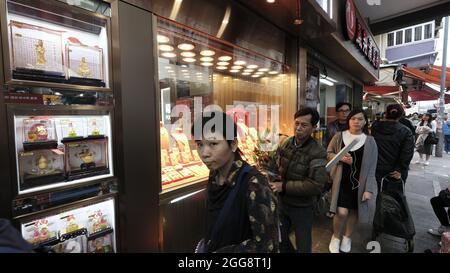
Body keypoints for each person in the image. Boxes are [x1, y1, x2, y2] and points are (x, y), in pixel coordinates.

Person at [192, 111, 279, 253]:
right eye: (199, 144)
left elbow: (267, 246)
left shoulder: (254, 183)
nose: (204, 153)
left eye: (213, 143)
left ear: (233, 145)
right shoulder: (215, 174)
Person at [268, 108, 328, 253]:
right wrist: (270, 173)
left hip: (303, 207)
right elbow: (275, 164)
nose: (298, 128)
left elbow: (316, 185)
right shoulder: (287, 142)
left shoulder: (318, 151)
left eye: (304, 125)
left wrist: (284, 186)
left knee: (303, 244)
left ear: (314, 128)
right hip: (282, 203)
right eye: (296, 123)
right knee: (280, 239)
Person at [327, 109, 378, 253]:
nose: (356, 121)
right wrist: (340, 158)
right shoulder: (339, 136)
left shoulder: (370, 141)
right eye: (353, 118)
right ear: (348, 120)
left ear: (365, 121)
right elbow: (328, 153)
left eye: (360, 119)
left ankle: (347, 237)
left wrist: (369, 189)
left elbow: (372, 168)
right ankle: (335, 237)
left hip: (359, 185)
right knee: (341, 212)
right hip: (341, 182)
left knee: (355, 212)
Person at [371, 104, 414, 189]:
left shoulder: (375, 127)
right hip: (396, 170)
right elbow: (407, 153)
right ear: (401, 115)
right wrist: (399, 169)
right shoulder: (406, 131)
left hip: (377, 167)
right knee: (395, 196)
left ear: (386, 113)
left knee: (379, 191)